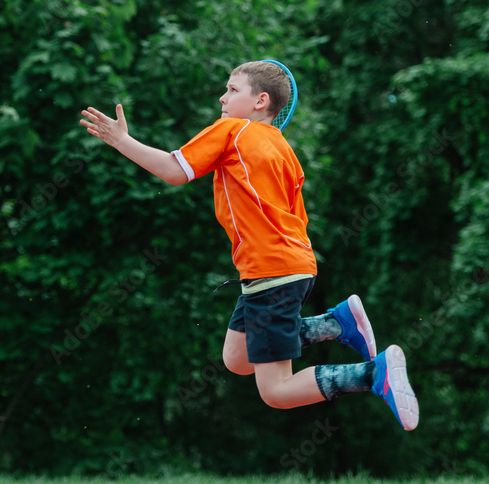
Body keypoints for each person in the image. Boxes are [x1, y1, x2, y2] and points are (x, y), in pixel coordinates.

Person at [79, 60, 418, 430]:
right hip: (290, 266)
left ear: (261, 101)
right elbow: (297, 216)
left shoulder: (231, 131)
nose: (222, 97)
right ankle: (335, 324)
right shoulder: (283, 148)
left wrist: (121, 141)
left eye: (232, 90)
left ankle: (373, 373)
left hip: (272, 270)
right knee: (237, 357)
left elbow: (174, 171)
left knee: (276, 391)